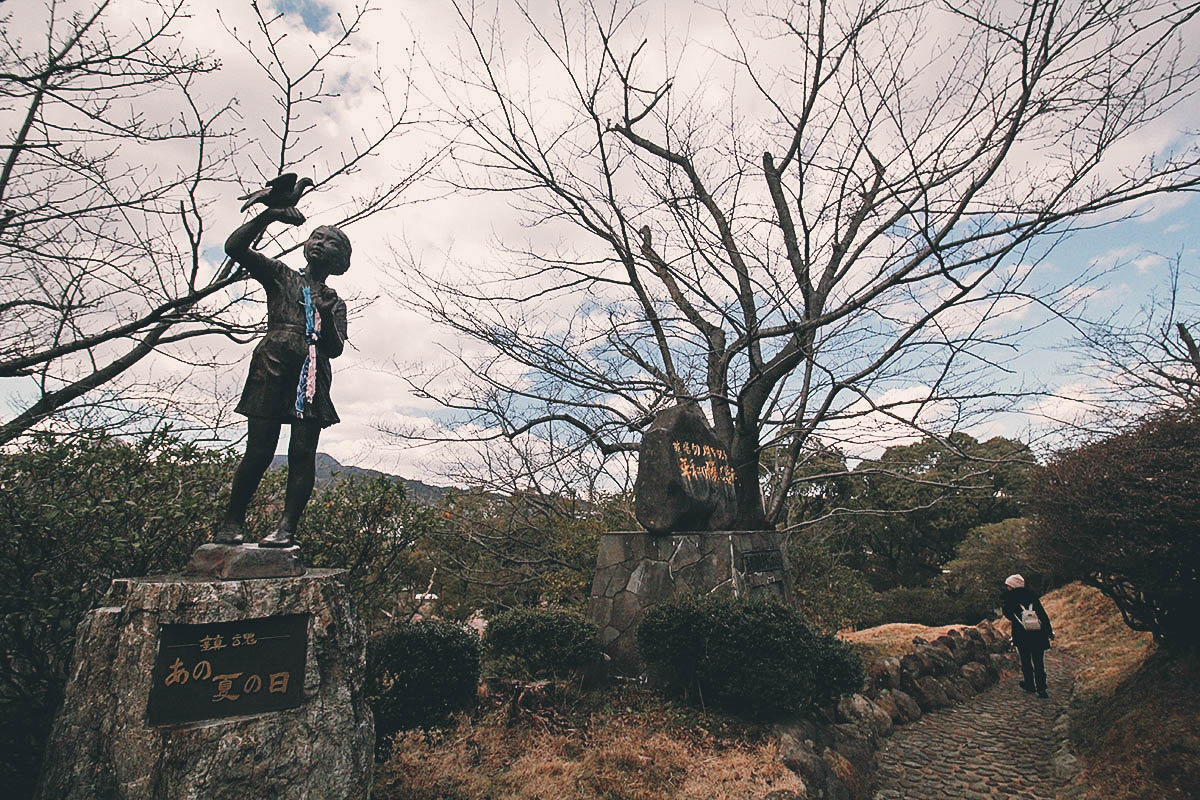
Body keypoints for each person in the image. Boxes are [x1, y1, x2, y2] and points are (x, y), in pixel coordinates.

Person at [213, 203, 350, 548]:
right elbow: (235, 249)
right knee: (259, 449)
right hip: (272, 361)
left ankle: (286, 529)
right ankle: (232, 522)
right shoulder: (282, 276)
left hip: (313, 372)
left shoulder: (334, 299)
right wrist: (269, 214)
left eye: (330, 242)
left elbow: (335, 348)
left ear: (339, 261)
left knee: (302, 454)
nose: (320, 243)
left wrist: (327, 315)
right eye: (316, 237)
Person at [1002, 573, 1054, 698]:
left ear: (1012, 586)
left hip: (1022, 634)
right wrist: (1049, 631)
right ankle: (1041, 688)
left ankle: (1030, 684)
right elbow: (1043, 615)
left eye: (1008, 585)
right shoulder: (1033, 596)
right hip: (1038, 634)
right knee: (1039, 662)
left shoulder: (1010, 598)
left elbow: (1008, 615)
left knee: (1026, 660)